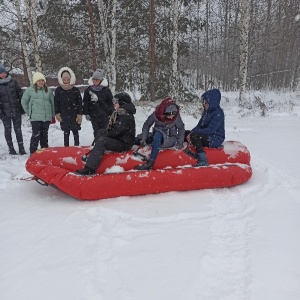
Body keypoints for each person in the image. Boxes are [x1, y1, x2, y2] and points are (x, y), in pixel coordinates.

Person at [76, 92, 136, 176]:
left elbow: (115, 132)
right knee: (101, 132)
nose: (114, 104)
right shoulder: (120, 112)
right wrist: (98, 101)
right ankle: (94, 152)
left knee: (102, 141)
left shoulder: (126, 116)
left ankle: (90, 168)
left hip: (124, 144)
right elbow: (107, 109)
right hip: (120, 139)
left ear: (122, 103)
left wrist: (105, 134)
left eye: (116, 102)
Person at [135, 97, 185, 170]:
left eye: (173, 115)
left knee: (157, 135)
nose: (171, 117)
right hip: (156, 135)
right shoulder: (156, 114)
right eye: (169, 115)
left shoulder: (176, 117)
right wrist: (144, 138)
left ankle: (151, 162)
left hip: (170, 138)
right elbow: (147, 125)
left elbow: (181, 128)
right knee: (139, 139)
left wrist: (180, 142)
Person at [186, 88, 225, 167]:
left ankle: (203, 159)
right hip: (207, 135)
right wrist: (191, 132)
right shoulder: (206, 112)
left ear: (211, 102)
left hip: (215, 138)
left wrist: (194, 133)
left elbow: (210, 130)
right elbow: (199, 125)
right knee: (186, 133)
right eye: (203, 102)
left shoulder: (218, 114)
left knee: (194, 136)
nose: (203, 104)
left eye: (205, 102)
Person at [21, 72, 55, 155]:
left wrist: (53, 115)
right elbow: (23, 101)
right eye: (39, 81)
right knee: (36, 135)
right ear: (35, 81)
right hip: (35, 118)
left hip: (46, 117)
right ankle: (33, 153)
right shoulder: (29, 90)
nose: (41, 82)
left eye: (42, 80)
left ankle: (44, 152)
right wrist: (29, 112)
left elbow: (52, 103)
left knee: (44, 136)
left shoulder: (48, 90)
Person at [0, 63, 26, 155]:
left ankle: (21, 148)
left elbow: (20, 94)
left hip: (16, 111)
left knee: (18, 130)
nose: (3, 74)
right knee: (8, 131)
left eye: (4, 72)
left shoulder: (13, 82)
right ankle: (11, 149)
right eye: (1, 73)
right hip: (4, 113)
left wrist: (22, 107)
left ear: (6, 73)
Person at [54, 67, 83, 146]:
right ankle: (66, 147)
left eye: (68, 79)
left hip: (74, 114)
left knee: (75, 131)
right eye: (64, 79)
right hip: (64, 115)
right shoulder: (58, 90)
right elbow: (56, 102)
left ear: (71, 79)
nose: (66, 81)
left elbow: (79, 102)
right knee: (66, 132)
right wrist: (57, 113)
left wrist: (79, 114)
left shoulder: (75, 90)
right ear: (61, 79)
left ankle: (76, 147)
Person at [82, 69, 113, 139]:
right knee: (96, 130)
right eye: (94, 79)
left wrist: (111, 113)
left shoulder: (106, 90)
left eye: (97, 80)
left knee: (104, 130)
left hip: (105, 114)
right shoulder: (88, 90)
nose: (95, 81)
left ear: (101, 80)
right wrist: (86, 113)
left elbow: (110, 103)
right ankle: (97, 143)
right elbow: (85, 102)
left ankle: (104, 143)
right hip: (93, 114)